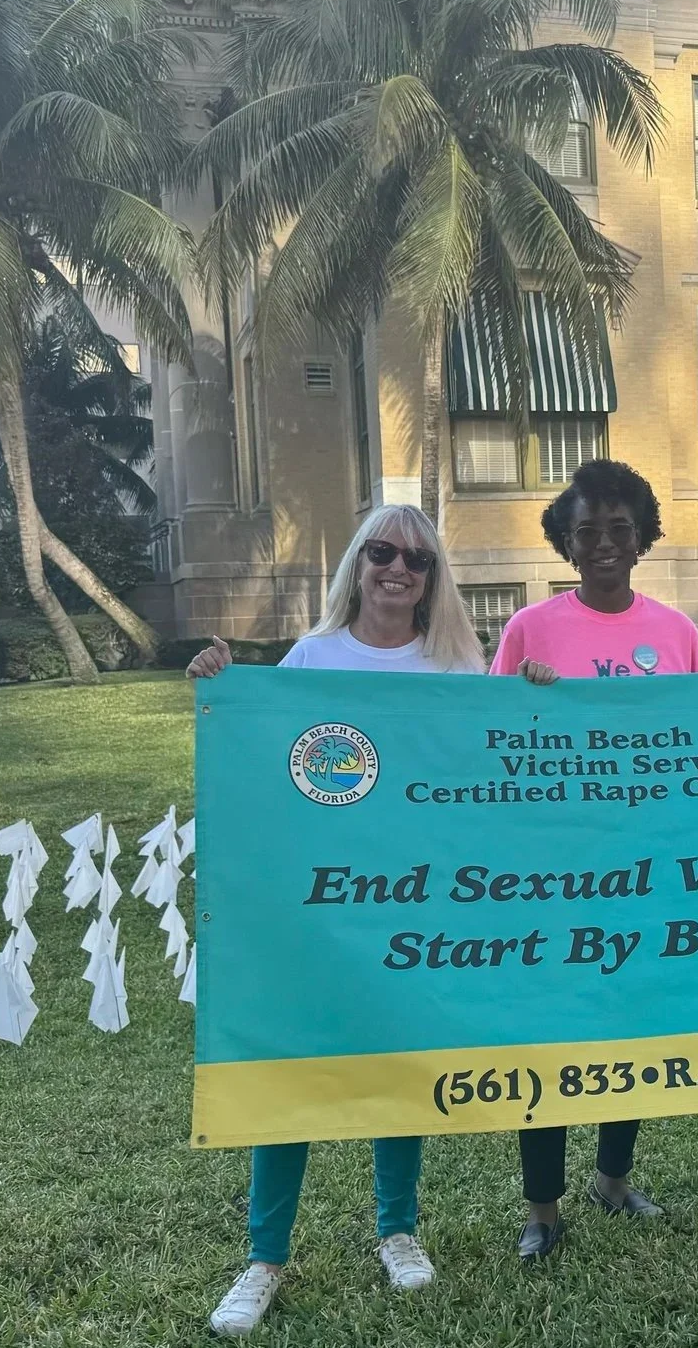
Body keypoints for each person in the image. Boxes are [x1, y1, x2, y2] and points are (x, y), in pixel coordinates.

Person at [186, 504, 488, 1338]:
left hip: (418, 900)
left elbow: (496, 765)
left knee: (396, 1064)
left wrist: (530, 691)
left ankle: (398, 1229)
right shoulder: (312, 657)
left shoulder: (458, 663)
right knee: (293, 1070)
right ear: (357, 562)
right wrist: (221, 681)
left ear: (433, 580)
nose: (399, 569)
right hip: (315, 906)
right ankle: (264, 1257)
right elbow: (261, 752)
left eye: (417, 559)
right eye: (383, 552)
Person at [490, 458, 698, 1260]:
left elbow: (697, 742)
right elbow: (489, 741)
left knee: (632, 1024)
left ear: (642, 538)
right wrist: (525, 698)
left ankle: (611, 1178)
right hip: (554, 868)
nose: (603, 543)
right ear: (565, 546)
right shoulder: (528, 629)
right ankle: (542, 1206)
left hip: (648, 864)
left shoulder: (673, 630)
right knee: (555, 1030)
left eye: (618, 529)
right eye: (585, 532)